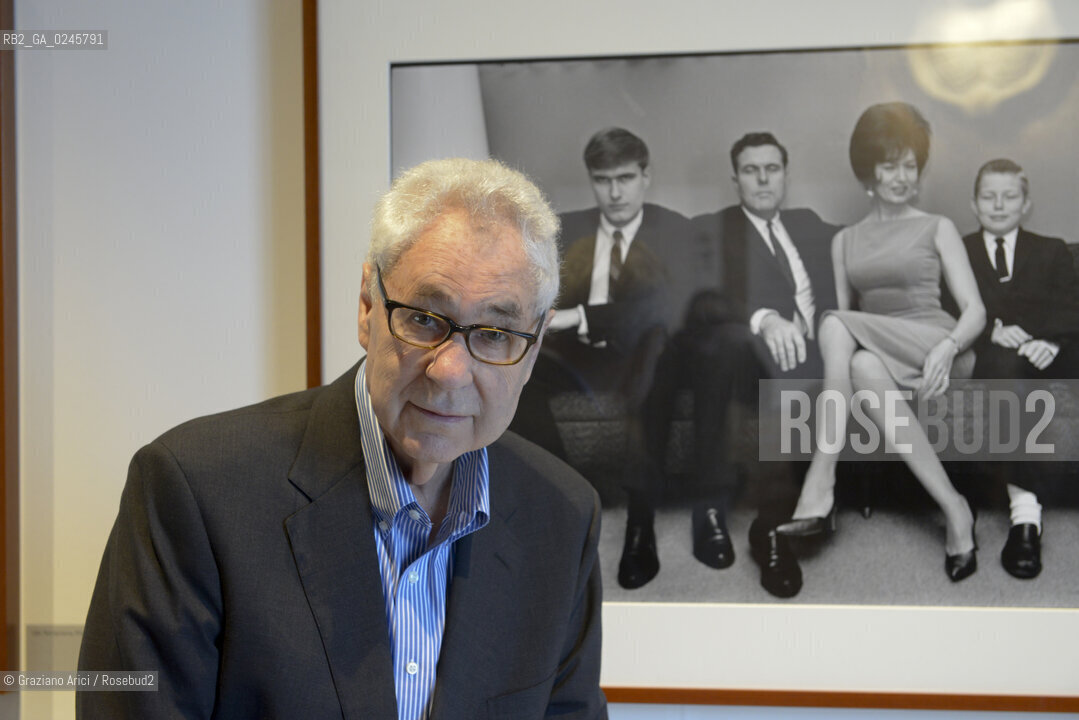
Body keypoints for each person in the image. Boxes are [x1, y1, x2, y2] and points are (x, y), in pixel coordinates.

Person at [78, 158, 608, 719]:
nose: (450, 372)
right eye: (425, 319)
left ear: (537, 342)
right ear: (366, 306)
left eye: (496, 333)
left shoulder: (563, 516)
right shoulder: (193, 490)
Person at [777, 102, 986, 583]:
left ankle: (820, 479)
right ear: (868, 170)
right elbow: (850, 326)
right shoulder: (845, 241)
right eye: (890, 165)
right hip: (882, 357)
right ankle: (955, 509)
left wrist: (947, 347)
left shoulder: (938, 227)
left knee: (834, 323)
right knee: (862, 365)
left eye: (910, 165)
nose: (902, 176)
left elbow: (976, 311)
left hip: (936, 346)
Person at [628, 132, 839, 598]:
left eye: (772, 168)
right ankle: (749, 526)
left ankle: (780, 525)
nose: (763, 178)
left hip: (824, 354)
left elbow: (843, 280)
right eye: (751, 169)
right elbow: (700, 300)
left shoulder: (810, 227)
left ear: (785, 175)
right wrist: (764, 320)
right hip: (751, 359)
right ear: (735, 179)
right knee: (723, 345)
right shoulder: (715, 228)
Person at [510, 127, 710, 591]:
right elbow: (533, 295)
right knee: (518, 362)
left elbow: (669, 307)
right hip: (577, 356)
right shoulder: (564, 230)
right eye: (603, 180)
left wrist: (581, 315)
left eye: (625, 177)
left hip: (643, 354)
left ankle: (641, 525)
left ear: (646, 176)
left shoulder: (676, 229)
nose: (615, 192)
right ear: (591, 180)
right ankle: (566, 504)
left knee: (659, 349)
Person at [961, 158, 1079, 579]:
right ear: (974, 204)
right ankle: (1025, 517)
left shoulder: (1052, 249)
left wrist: (1048, 339)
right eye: (988, 197)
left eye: (1009, 196)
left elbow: (1070, 307)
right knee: (1005, 364)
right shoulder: (959, 251)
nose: (998, 205)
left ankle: (1026, 512)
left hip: (1053, 353)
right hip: (997, 358)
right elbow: (942, 309)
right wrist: (990, 331)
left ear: (1025, 204)